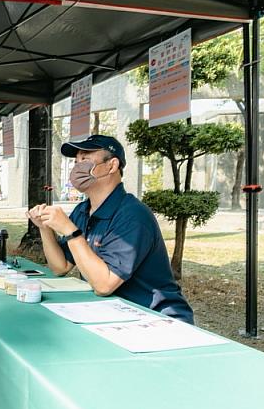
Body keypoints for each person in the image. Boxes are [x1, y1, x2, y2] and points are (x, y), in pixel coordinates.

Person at [27, 135, 194, 324]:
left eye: (85, 160)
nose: (77, 168)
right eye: (75, 162)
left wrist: (70, 231)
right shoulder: (83, 210)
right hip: (115, 313)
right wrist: (45, 228)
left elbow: (104, 285)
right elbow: (60, 267)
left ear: (112, 166)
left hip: (157, 318)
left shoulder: (133, 215)